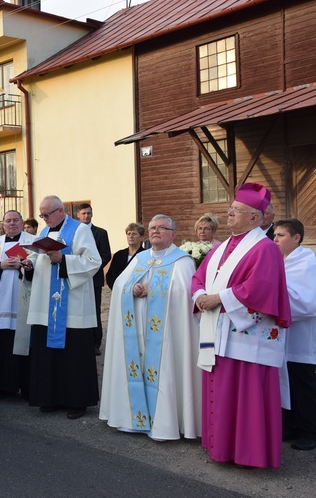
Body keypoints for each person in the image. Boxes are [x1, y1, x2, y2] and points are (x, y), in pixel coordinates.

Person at [192, 182, 291, 468]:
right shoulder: (221, 247)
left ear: (255, 218)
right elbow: (199, 277)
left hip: (244, 335)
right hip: (218, 330)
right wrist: (200, 296)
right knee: (221, 393)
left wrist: (217, 299)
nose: (229, 213)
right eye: (230, 209)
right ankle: (220, 447)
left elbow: (260, 288)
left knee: (244, 394)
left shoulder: (266, 249)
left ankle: (248, 454)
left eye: (236, 210)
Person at [100, 215, 201, 440]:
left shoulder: (182, 261)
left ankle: (164, 423)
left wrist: (152, 290)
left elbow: (184, 293)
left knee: (164, 370)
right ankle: (131, 419)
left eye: (162, 228)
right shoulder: (140, 258)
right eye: (153, 228)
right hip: (135, 332)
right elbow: (118, 286)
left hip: (164, 335)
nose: (156, 231)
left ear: (173, 234)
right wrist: (132, 288)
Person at [27, 195, 101, 418]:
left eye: (46, 215)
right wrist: (27, 263)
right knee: (48, 354)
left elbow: (93, 262)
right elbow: (36, 258)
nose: (44, 219)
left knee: (74, 356)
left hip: (72, 308)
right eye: (41, 215)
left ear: (60, 211)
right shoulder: (42, 232)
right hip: (45, 306)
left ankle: (77, 401)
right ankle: (49, 397)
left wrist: (63, 260)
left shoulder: (80, 230)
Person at [273, 218, 316, 451]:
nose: (275, 239)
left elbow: (308, 302)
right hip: (283, 336)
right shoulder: (284, 261)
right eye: (275, 235)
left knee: (303, 384)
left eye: (280, 235)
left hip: (301, 337)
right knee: (285, 382)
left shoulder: (307, 262)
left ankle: (310, 431)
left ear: (296, 238)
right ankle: (290, 426)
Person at [0, 210, 35, 399]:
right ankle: (5, 387)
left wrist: (23, 265)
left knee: (23, 341)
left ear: (22, 222)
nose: (12, 223)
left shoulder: (32, 241)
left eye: (15, 220)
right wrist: (0, 266)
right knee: (2, 343)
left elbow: (40, 265)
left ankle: (27, 386)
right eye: (8, 221)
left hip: (23, 301)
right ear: (3, 224)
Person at [76, 203, 111, 356]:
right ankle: (80, 340)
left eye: (89, 213)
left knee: (94, 310)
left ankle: (95, 343)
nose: (86, 216)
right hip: (77, 277)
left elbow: (105, 255)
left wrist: (91, 268)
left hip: (94, 277)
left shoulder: (100, 233)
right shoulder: (74, 232)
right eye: (83, 213)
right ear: (78, 214)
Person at [105, 223, 146, 290]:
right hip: (118, 291)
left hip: (138, 292)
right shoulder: (118, 255)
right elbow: (110, 275)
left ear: (141, 237)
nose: (131, 236)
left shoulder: (145, 255)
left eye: (134, 234)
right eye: (128, 234)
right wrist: (117, 289)